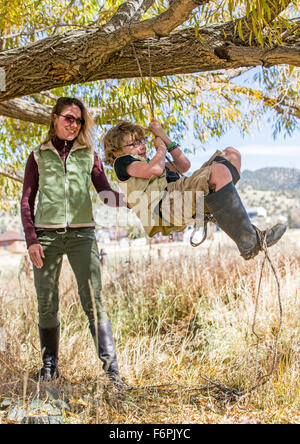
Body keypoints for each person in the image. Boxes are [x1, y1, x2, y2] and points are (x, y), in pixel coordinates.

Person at [21, 97, 125, 387]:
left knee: (93, 300)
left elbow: (104, 192)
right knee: (47, 302)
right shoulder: (37, 155)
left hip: (82, 236)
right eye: (68, 118)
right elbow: (27, 201)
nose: (73, 124)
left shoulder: (88, 153)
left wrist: (131, 200)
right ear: (54, 118)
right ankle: (49, 368)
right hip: (46, 238)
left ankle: (112, 373)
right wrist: (32, 240)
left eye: (78, 120)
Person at [103, 119, 286, 260]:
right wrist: (160, 149)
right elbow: (155, 169)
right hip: (165, 206)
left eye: (141, 141)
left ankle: (221, 208)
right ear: (116, 152)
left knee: (231, 155)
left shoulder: (151, 162)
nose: (141, 146)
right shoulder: (123, 163)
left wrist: (164, 138)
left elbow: (183, 165)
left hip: (180, 197)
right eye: (133, 144)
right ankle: (249, 241)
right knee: (218, 171)